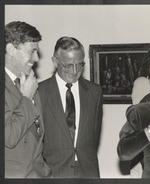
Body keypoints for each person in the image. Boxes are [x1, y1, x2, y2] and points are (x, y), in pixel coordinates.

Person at [39, 36, 103, 178]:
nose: (74, 71)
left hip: (87, 171)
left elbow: (94, 135)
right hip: (52, 172)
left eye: (80, 65)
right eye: (68, 65)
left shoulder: (95, 92)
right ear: (55, 62)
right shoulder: (39, 92)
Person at [5, 21, 51, 178]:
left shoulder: (28, 82)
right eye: (32, 52)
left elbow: (37, 134)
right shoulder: (28, 89)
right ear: (11, 49)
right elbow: (9, 137)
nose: (37, 58)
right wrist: (26, 98)